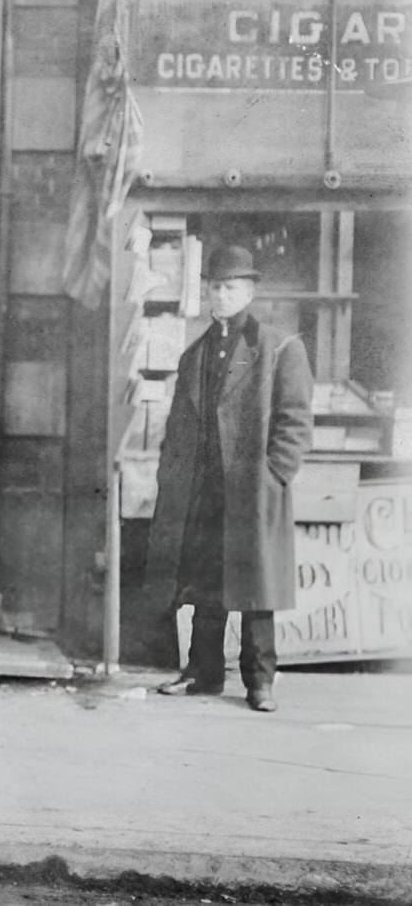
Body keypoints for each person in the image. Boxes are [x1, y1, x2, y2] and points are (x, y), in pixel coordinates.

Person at [146, 245, 313, 712]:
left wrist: (273, 476)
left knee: (255, 590)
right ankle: (202, 673)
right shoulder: (195, 355)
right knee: (203, 585)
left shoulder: (279, 347)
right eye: (215, 286)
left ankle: (260, 681)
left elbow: (295, 423)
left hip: (252, 492)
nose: (221, 294)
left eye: (231, 287)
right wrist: (172, 480)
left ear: (250, 291)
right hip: (203, 491)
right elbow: (178, 429)